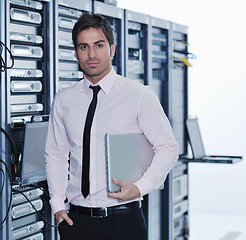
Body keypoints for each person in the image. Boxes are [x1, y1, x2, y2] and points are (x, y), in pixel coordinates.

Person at [45, 12, 179, 240]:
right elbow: (56, 155)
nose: (91, 54)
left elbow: (168, 147)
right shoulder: (64, 100)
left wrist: (140, 187)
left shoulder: (138, 95)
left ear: (112, 49)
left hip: (124, 220)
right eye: (83, 47)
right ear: (76, 52)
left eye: (99, 45)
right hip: (76, 221)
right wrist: (57, 205)